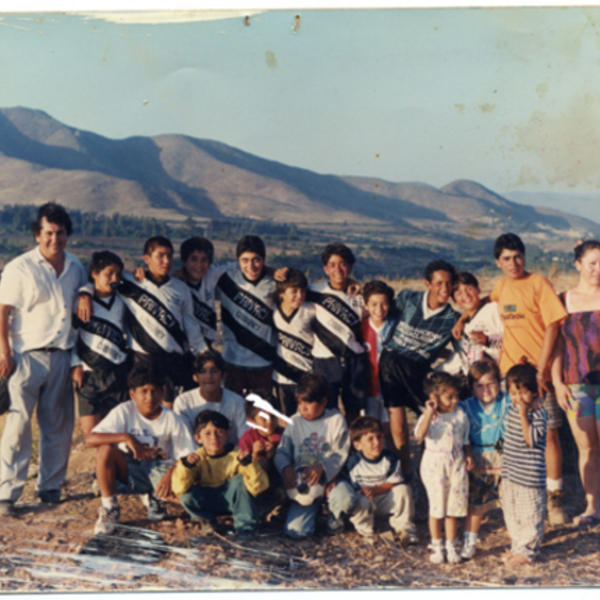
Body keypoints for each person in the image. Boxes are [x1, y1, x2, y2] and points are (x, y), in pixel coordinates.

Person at [0, 202, 91, 516]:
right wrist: (4, 352)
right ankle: (7, 495)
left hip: (62, 356)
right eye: (49, 233)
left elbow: (85, 292)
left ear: (68, 234)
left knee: (58, 427)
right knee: (17, 427)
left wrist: (85, 293)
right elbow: (2, 311)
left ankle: (50, 488)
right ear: (37, 234)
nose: (55, 239)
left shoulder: (75, 267)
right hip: (25, 356)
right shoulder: (19, 267)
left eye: (61, 233)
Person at [488, 233, 568, 524]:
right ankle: (519, 492)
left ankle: (555, 496)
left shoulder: (538, 284)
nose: (514, 263)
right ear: (498, 262)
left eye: (518, 256)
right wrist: (462, 319)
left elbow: (552, 327)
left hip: (539, 374)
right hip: (511, 376)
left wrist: (541, 369)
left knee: (547, 433)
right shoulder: (501, 286)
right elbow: (489, 300)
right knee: (516, 434)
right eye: (507, 259)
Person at [86, 363, 196, 535]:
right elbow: (90, 440)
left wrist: (170, 475)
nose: (149, 397)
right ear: (132, 394)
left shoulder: (172, 419)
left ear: (162, 392)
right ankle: (110, 507)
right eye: (143, 391)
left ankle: (156, 497)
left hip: (160, 469)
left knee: (190, 500)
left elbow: (188, 455)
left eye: (154, 391)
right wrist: (126, 437)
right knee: (105, 450)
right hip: (131, 469)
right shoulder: (124, 411)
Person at [379, 260, 460, 478]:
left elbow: (461, 354)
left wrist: (439, 370)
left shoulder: (453, 319)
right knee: (398, 429)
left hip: (420, 372)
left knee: (433, 421)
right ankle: (405, 474)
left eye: (449, 284)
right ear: (428, 284)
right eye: (439, 283)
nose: (444, 288)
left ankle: (433, 473)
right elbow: (381, 315)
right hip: (391, 364)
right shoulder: (408, 299)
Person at [118, 236, 208, 408]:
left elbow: (191, 327)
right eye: (160, 256)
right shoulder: (130, 283)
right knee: (146, 411)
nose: (166, 261)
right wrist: (85, 294)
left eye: (169, 255)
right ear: (147, 259)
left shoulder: (181, 288)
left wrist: (204, 355)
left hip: (173, 360)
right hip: (142, 359)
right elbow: (101, 284)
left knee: (173, 412)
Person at [551, 240, 600, 526]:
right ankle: (592, 506)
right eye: (592, 263)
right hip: (576, 385)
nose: (597, 269)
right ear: (578, 264)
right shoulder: (563, 300)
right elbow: (557, 345)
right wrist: (557, 383)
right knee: (587, 447)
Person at [274, 372, 350, 539]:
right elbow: (281, 452)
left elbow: (342, 451)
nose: (303, 408)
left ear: (323, 401)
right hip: (304, 486)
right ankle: (310, 510)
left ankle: (334, 513)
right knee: (296, 531)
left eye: (308, 403)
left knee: (346, 498)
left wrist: (323, 466)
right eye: (299, 403)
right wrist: (285, 468)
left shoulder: (336, 420)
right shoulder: (294, 422)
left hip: (331, 481)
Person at [172, 410, 269, 539]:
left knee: (240, 480)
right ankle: (207, 520)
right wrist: (186, 466)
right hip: (207, 500)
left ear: (227, 434)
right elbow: (178, 488)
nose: (213, 437)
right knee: (186, 495)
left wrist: (248, 464)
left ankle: (245, 527)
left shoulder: (237, 456)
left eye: (219, 432)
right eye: (207, 433)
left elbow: (260, 486)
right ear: (198, 438)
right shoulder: (196, 458)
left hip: (231, 502)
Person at [327, 416, 417, 545]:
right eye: (370, 439)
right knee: (361, 499)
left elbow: (394, 481)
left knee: (403, 490)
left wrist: (375, 490)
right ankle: (367, 532)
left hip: (384, 497)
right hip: (364, 501)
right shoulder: (353, 461)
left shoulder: (389, 457)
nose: (377, 442)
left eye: (379, 436)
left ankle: (405, 529)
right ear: (358, 445)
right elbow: (343, 481)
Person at [71, 251, 131, 438]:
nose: (114, 279)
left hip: (117, 374)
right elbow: (71, 337)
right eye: (108, 273)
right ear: (95, 273)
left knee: (118, 430)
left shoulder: (122, 302)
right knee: (92, 434)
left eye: (118, 274)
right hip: (89, 375)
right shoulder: (80, 304)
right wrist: (75, 364)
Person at [415, 372, 472, 564]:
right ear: (434, 398)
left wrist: (468, 454)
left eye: (456, 396)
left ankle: (450, 545)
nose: (454, 400)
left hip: (455, 464)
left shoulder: (460, 415)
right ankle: (436, 546)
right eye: (450, 397)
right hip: (434, 466)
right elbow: (420, 435)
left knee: (452, 508)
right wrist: (429, 413)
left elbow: (464, 439)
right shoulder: (429, 417)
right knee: (437, 507)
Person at [307, 243, 367, 424]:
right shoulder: (314, 291)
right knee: (326, 411)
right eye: (332, 265)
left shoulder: (361, 296)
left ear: (350, 266)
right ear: (325, 269)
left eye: (342, 264)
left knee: (354, 411)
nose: (338, 269)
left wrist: (361, 287)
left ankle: (351, 448)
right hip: (324, 360)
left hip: (354, 360)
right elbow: (286, 287)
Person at [460, 361, 511, 560]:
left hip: (506, 460)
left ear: (499, 382)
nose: (486, 390)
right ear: (471, 387)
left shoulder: (508, 400)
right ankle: (470, 542)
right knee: (476, 505)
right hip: (479, 462)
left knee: (510, 503)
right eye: (479, 385)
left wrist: (534, 402)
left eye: (490, 383)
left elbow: (528, 398)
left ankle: (519, 541)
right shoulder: (465, 406)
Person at [216, 235, 277, 397]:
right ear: (238, 261)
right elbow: (198, 275)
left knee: (261, 415)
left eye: (256, 260)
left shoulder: (275, 284)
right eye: (245, 260)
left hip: (263, 361)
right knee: (234, 411)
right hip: (233, 361)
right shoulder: (226, 278)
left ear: (264, 260)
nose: (250, 265)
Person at [502, 363, 547, 566]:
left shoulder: (538, 413)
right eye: (513, 393)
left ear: (534, 393)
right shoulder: (511, 407)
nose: (517, 398)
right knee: (512, 513)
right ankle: (517, 546)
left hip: (529, 476)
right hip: (511, 473)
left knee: (530, 514)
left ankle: (528, 551)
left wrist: (524, 414)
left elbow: (531, 440)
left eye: (523, 393)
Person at [436, 271, 503, 392]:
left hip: (489, 377)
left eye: (469, 289)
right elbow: (463, 357)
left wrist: (488, 340)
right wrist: (437, 371)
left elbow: (509, 340)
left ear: (478, 289)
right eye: (459, 293)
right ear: (455, 300)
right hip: (468, 378)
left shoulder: (492, 309)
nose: (465, 295)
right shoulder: (465, 325)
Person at [173, 349, 248, 445]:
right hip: (196, 457)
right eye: (203, 371)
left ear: (223, 376)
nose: (209, 377)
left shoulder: (237, 401)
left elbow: (244, 439)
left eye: (214, 371)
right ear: (195, 377)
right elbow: (185, 441)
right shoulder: (183, 402)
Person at [272, 268, 316, 417]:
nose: (300, 295)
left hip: (306, 374)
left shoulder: (310, 310)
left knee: (307, 418)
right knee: (286, 419)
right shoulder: (273, 310)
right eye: (294, 291)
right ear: (282, 293)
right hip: (282, 376)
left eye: (302, 291)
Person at [360, 280, 394, 429]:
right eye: (373, 304)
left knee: (390, 429)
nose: (379, 309)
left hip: (391, 389)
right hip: (368, 390)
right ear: (366, 305)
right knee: (371, 428)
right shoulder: (359, 327)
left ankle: (393, 453)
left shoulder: (396, 326)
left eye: (384, 303)